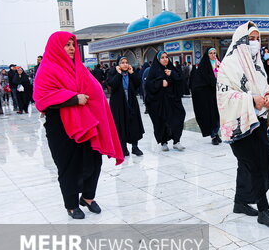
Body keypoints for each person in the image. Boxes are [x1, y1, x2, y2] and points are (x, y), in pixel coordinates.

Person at [33, 32, 124, 219]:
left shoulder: (79, 68)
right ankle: (72, 204)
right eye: (66, 45)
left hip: (88, 124)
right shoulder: (47, 69)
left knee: (93, 160)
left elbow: (95, 92)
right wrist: (73, 99)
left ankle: (88, 197)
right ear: (56, 47)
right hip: (61, 128)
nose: (72, 48)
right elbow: (42, 99)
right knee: (69, 166)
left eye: (72, 44)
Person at [216, 21, 269, 227]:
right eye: (250, 39)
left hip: (258, 121)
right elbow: (223, 94)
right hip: (239, 122)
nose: (254, 43)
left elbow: (265, 85)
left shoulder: (256, 64)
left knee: (260, 160)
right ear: (241, 41)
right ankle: (264, 210)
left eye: (257, 39)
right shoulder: (230, 64)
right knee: (254, 164)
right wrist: (251, 99)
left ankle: (240, 201)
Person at [144, 51, 186, 151]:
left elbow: (181, 81)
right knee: (161, 121)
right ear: (158, 60)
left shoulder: (172, 69)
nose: (165, 59)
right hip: (160, 102)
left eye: (166, 57)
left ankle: (177, 141)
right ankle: (163, 142)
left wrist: (172, 74)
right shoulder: (153, 71)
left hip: (173, 101)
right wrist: (160, 83)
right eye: (162, 57)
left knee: (178, 118)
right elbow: (148, 85)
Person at [107, 56, 145, 156]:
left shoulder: (130, 73)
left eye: (126, 62)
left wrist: (132, 73)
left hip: (131, 102)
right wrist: (119, 74)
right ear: (118, 64)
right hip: (119, 104)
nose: (125, 64)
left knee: (134, 124)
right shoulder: (113, 73)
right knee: (121, 125)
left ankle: (135, 147)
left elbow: (137, 84)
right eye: (122, 62)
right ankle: (123, 148)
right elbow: (112, 84)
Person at [189, 48, 222, 145]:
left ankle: (216, 133)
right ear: (207, 55)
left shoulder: (219, 64)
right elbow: (199, 83)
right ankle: (213, 135)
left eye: (215, 53)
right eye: (211, 53)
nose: (213, 55)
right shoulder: (203, 67)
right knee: (211, 115)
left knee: (218, 115)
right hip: (208, 96)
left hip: (219, 94)